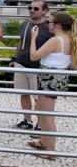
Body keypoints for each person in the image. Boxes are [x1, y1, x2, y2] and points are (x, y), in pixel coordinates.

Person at [27, 11, 76, 160]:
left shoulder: (56, 40)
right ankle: (43, 141)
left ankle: (51, 151)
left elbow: (34, 56)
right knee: (41, 110)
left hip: (50, 79)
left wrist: (33, 38)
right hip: (54, 78)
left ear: (58, 25)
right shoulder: (69, 39)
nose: (48, 24)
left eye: (50, 22)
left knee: (47, 116)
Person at [10, 0, 52, 132]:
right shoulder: (25, 24)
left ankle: (40, 124)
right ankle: (27, 121)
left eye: (36, 8)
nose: (32, 10)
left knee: (38, 98)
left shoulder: (49, 28)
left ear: (44, 11)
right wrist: (15, 58)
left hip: (38, 66)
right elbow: (21, 41)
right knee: (23, 94)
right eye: (30, 7)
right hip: (21, 63)